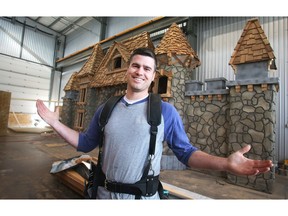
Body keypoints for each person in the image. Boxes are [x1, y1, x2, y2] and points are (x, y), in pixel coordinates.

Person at [36, 47, 273, 199]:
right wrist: (54, 123)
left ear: (153, 75)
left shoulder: (166, 112)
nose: (140, 71)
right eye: (136, 66)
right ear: (127, 70)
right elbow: (84, 143)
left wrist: (226, 164)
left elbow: (186, 153)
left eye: (147, 68)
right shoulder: (106, 108)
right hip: (103, 196)